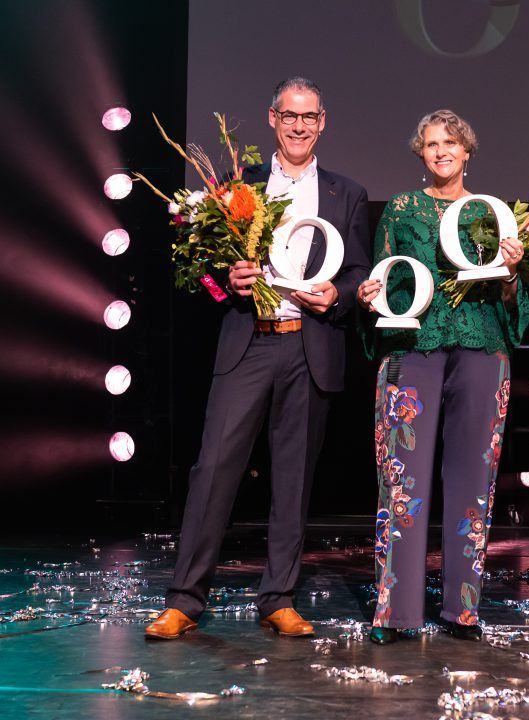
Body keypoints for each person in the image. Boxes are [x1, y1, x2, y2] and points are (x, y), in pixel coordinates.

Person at [145, 77, 371, 640]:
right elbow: (202, 272)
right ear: (272, 119)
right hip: (249, 340)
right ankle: (184, 599)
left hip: (310, 342)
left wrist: (338, 296)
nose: (299, 126)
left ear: (323, 123)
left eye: (310, 117)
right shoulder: (235, 186)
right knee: (214, 467)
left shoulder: (349, 193)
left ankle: (279, 597)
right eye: (289, 116)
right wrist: (228, 279)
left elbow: (361, 272)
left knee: (293, 479)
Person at [356, 109, 529, 644]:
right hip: (415, 348)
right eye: (431, 144)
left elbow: (513, 302)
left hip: (482, 349)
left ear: (467, 150)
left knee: (472, 482)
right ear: (420, 152)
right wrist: (369, 296)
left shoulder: (490, 213)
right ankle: (397, 612)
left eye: (450, 142)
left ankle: (463, 610)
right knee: (402, 484)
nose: (440, 151)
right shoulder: (403, 209)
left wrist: (513, 272)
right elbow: (384, 275)